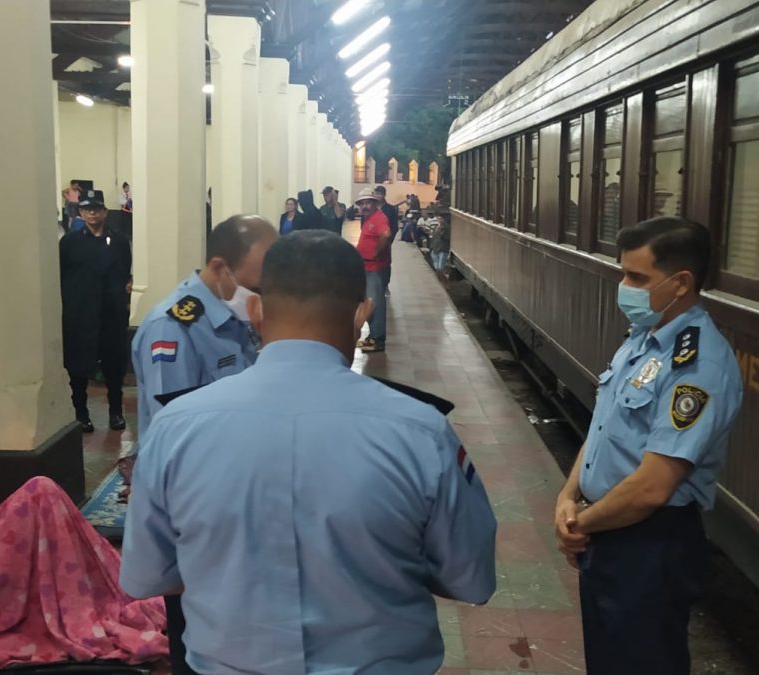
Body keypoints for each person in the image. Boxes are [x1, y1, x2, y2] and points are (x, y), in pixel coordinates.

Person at [120, 230, 497, 675]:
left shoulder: (175, 429)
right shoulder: (421, 432)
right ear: (363, 312)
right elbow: (469, 579)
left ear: (256, 310)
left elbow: (148, 575)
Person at [553, 216, 743, 675]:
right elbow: (604, 426)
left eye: (637, 277)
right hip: (610, 532)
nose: (624, 286)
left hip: (650, 544)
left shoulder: (698, 365)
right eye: (623, 273)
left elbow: (654, 487)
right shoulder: (644, 340)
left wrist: (581, 524)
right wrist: (567, 495)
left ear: (680, 284)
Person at [130, 215, 278, 441]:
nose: (262, 298)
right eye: (255, 288)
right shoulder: (172, 328)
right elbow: (173, 429)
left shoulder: (236, 312)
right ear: (219, 268)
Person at [59, 189, 132, 433]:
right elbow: (61, 276)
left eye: (96, 209)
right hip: (80, 314)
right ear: (80, 212)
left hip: (111, 313)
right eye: (86, 209)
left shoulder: (119, 241)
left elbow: (124, 271)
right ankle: (81, 413)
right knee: (78, 366)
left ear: (105, 212)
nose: (92, 213)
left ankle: (115, 411)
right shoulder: (70, 242)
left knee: (114, 363)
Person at [354, 188, 391, 353]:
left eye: (368, 203)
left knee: (374, 304)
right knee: (369, 303)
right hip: (367, 267)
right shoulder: (369, 218)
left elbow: (386, 234)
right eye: (362, 204)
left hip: (374, 268)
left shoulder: (378, 218)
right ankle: (372, 336)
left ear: (374, 203)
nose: (365, 206)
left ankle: (377, 339)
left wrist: (376, 252)